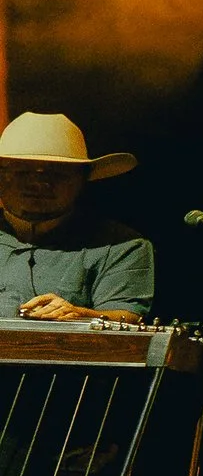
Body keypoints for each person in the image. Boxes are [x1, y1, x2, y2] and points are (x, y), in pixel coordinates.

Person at [0, 113, 153, 325]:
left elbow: (128, 319)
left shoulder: (120, 245)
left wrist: (79, 315)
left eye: (57, 173)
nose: (38, 184)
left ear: (83, 179)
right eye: (23, 172)